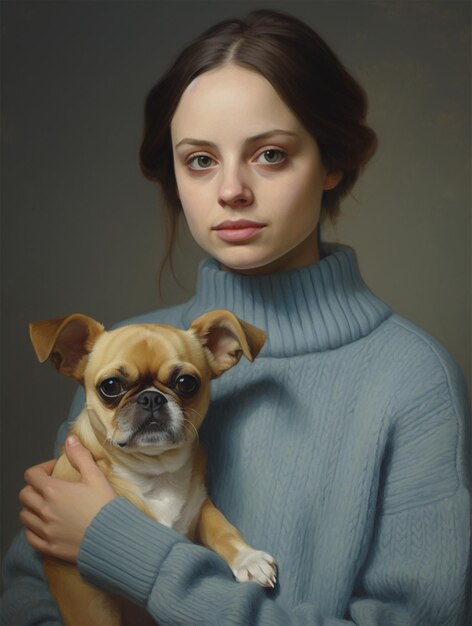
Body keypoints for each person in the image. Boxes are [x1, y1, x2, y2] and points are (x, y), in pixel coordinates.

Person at [1, 9, 470, 625]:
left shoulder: (413, 379)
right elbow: (29, 598)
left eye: (270, 154)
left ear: (332, 161)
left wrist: (133, 551)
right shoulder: (117, 355)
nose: (231, 190)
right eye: (199, 159)